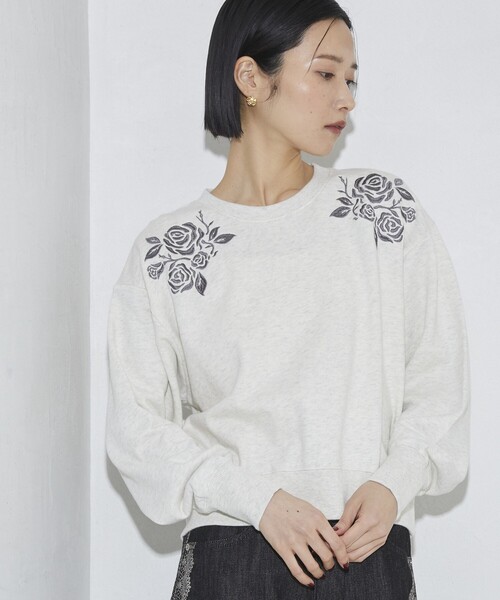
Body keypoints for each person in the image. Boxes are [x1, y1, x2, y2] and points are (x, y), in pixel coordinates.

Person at [105, 0, 471, 598]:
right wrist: (258, 500)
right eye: (325, 73)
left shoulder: (382, 213)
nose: (346, 98)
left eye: (351, 80)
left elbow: (439, 377)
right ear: (251, 78)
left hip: (364, 551)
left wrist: (393, 483)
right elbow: (137, 430)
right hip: (230, 553)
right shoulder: (168, 250)